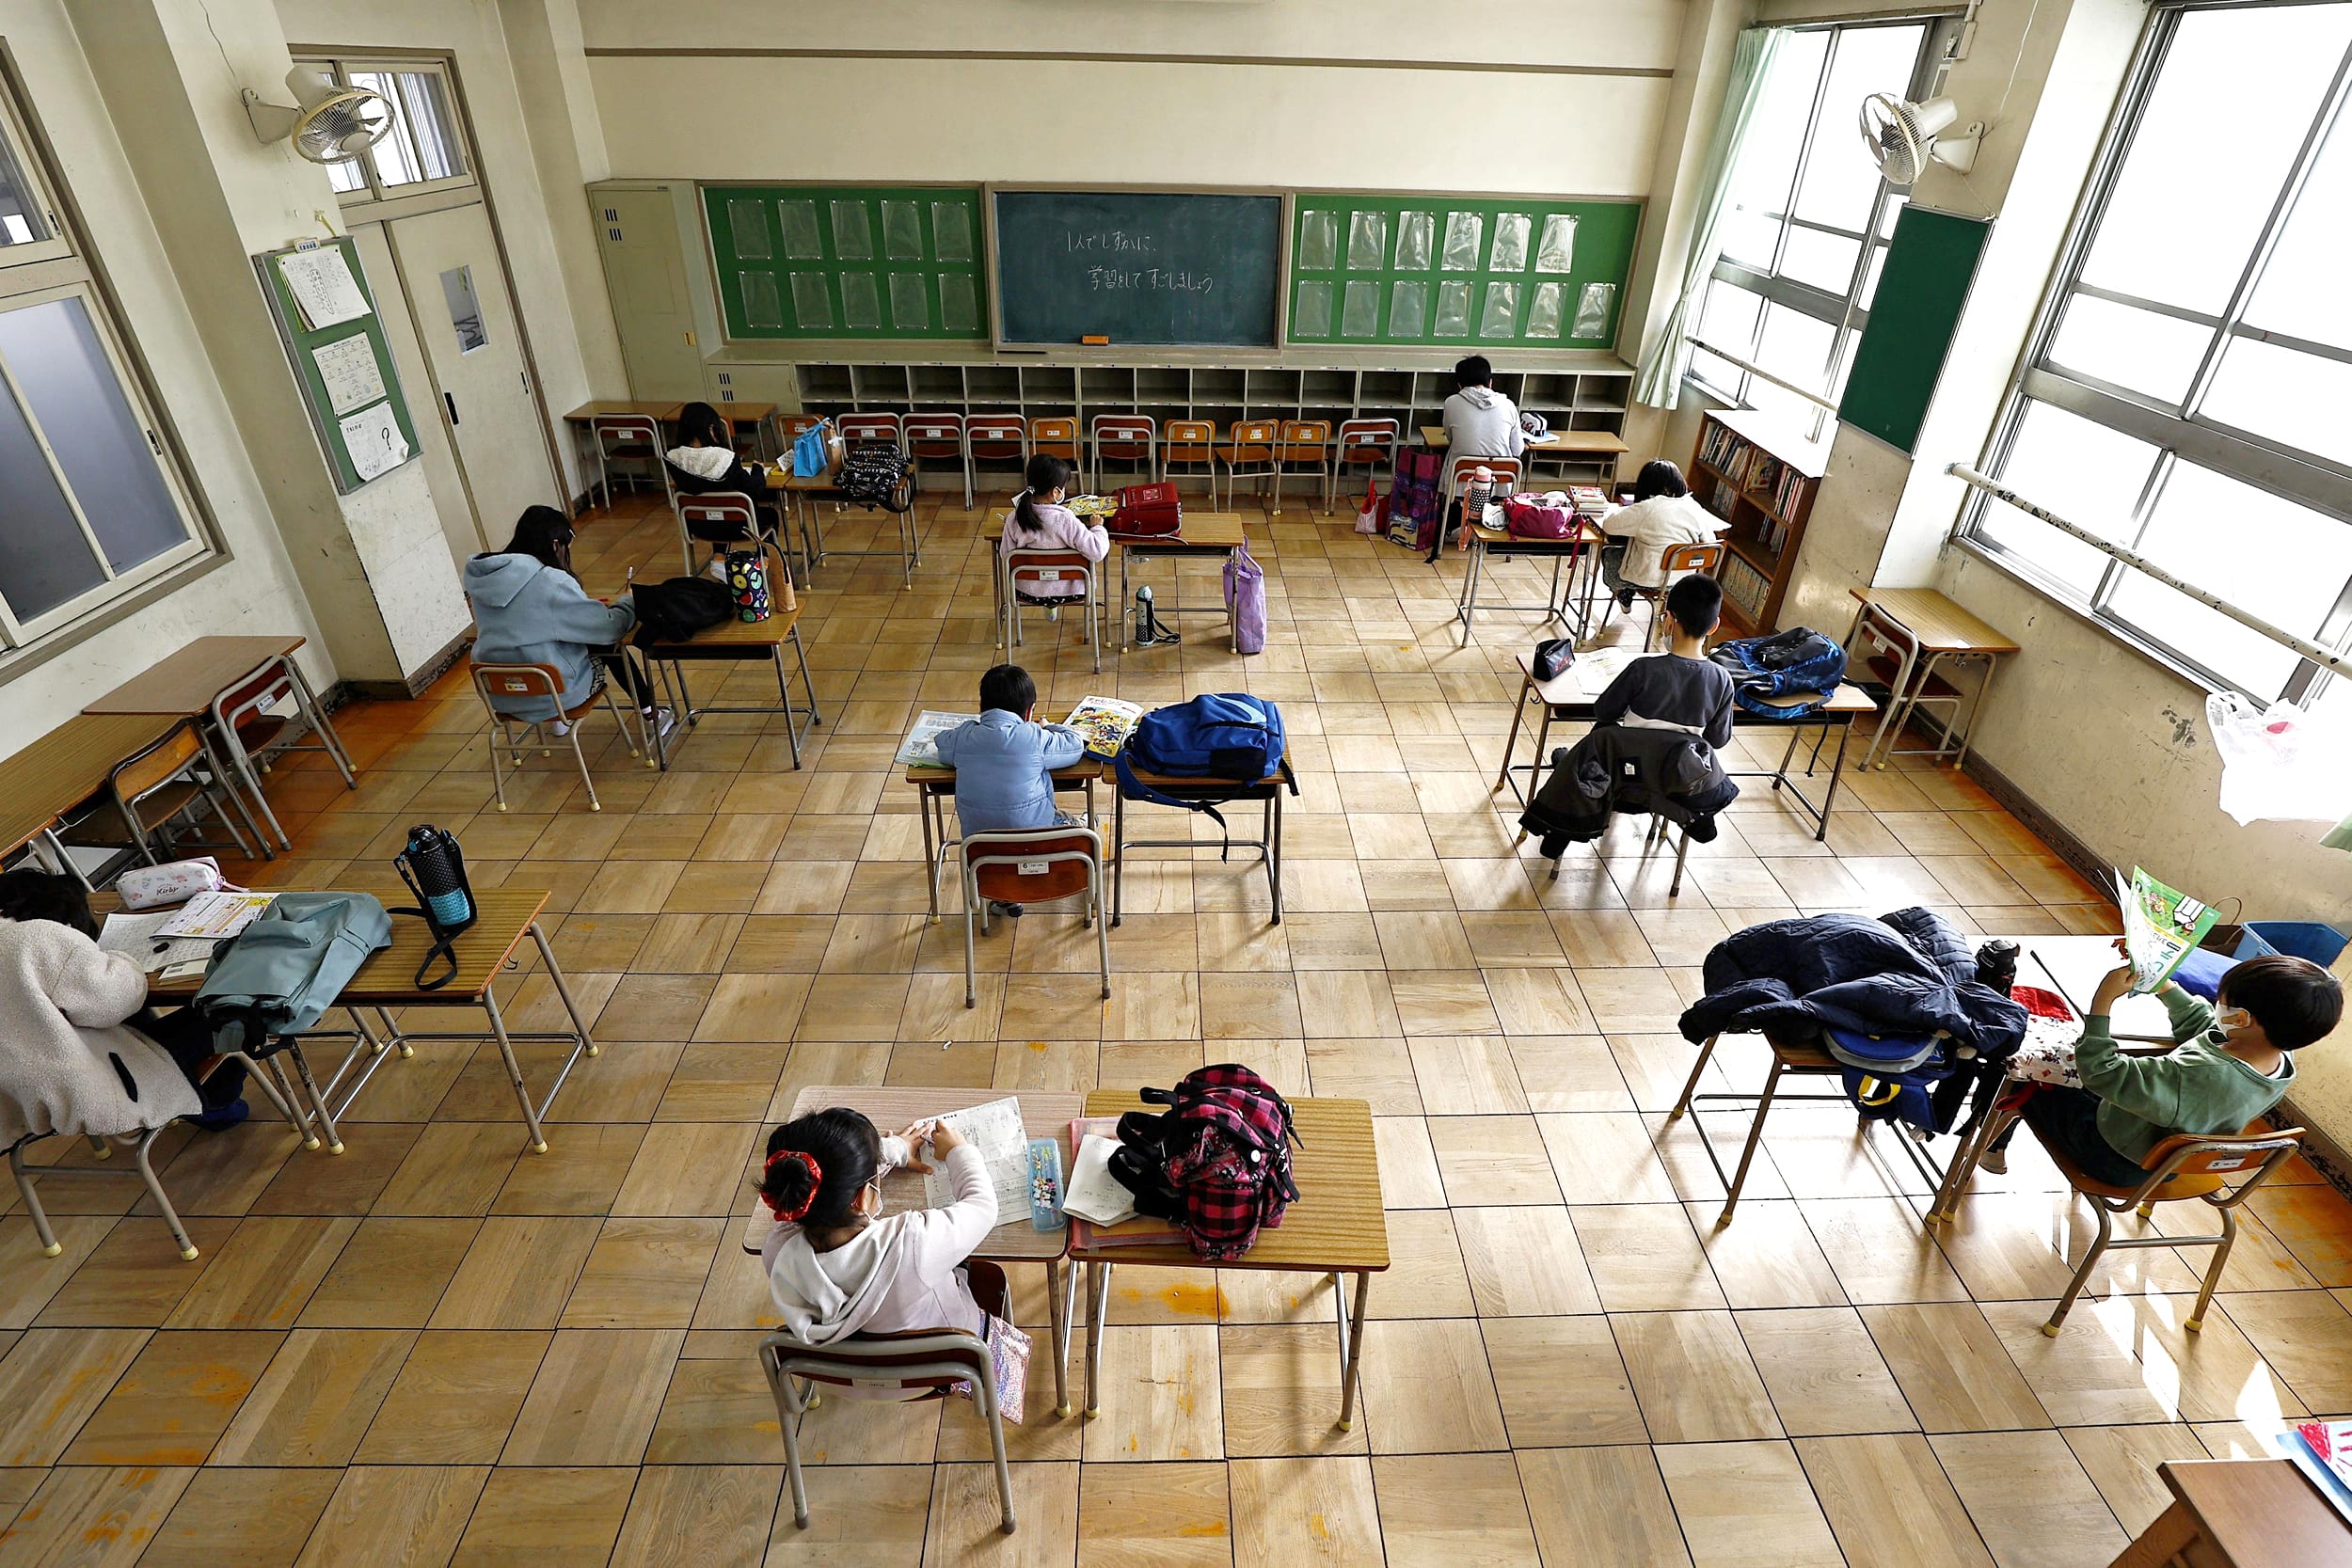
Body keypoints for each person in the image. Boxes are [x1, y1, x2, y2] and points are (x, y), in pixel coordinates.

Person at [1981, 950, 2341, 1181]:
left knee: (2030, 1072)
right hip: (2166, 1161)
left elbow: (2102, 1071)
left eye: (2223, 1001)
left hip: (2114, 1156)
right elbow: (2206, 1029)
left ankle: (1990, 1153)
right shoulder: (2277, 1059)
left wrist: (2103, 1001)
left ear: (2242, 1018)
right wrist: (2165, 987)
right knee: (2091, 1076)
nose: (2217, 1006)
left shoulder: (2198, 1074)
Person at [0, 868, 246, 1147]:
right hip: (88, 1090)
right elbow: (117, 1000)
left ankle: (211, 1096)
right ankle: (213, 1102)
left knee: (132, 1027)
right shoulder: (37, 936)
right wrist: (117, 958)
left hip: (17, 1105)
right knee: (228, 1009)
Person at [755, 1107, 1007, 1355]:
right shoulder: (911, 1245)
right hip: (942, 1362)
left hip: (843, 1374)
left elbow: (820, 1190)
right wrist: (957, 1152)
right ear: (863, 1198)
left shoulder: (778, 1252)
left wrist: (892, 1149)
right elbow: (982, 1206)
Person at [463, 506, 674, 742]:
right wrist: (627, 602)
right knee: (607, 645)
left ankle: (559, 723)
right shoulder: (550, 582)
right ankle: (651, 714)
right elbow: (608, 629)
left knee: (546, 643)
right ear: (555, 545)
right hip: (554, 695)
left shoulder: (484, 579)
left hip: (499, 694)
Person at [933, 664, 1086, 919]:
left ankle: (1004, 898)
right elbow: (1075, 745)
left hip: (984, 859)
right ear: (1029, 712)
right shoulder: (1034, 736)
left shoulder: (964, 738)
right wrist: (1048, 726)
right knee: (1080, 826)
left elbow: (941, 743)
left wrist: (968, 729)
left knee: (1003, 840)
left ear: (981, 707)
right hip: (1041, 848)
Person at [1593, 574, 1736, 750]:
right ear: (1714, 626)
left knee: (1601, 730)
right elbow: (1717, 740)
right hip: (1683, 773)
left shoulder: (1642, 669)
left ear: (1668, 620)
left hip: (1631, 767)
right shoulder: (1722, 680)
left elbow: (1604, 712)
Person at [1430, 356, 1528, 562]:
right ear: (1490, 381)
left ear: (1459, 383)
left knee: (1451, 458)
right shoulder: (1509, 405)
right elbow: (1517, 449)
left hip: (1462, 480)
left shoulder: (1452, 402)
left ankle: (1446, 531)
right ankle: (1502, 544)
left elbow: (1450, 437)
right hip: (1499, 483)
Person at [664, 402, 778, 569]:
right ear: (711, 428)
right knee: (770, 515)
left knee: (714, 504)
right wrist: (757, 470)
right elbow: (753, 489)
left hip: (697, 525)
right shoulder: (725, 458)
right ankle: (764, 559)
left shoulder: (673, 458)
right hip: (739, 527)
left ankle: (719, 559)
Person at [1601, 459, 1725, 610]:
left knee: (1609, 554)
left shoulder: (1648, 507)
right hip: (1684, 581)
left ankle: (1624, 593)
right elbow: (1710, 543)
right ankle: (1664, 610)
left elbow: (1609, 525)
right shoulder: (1693, 506)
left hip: (1647, 579)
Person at [1001, 453, 1108, 612]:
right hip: (1069, 592)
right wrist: (1097, 528)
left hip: (1027, 592)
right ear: (1056, 492)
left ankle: (1047, 606)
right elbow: (1097, 551)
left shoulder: (1014, 518)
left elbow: (1006, 556)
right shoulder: (1065, 519)